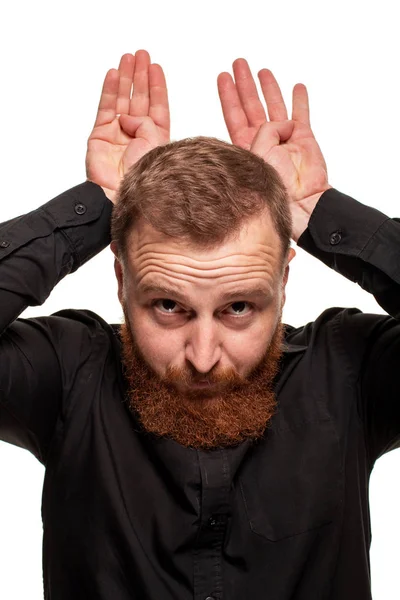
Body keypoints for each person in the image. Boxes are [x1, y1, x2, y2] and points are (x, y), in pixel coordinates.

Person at [0, 49, 398, 600]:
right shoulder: (68, 372)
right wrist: (96, 207)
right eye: (169, 306)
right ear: (121, 279)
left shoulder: (350, 370)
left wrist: (320, 212)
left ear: (283, 282)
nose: (204, 355)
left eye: (238, 308)